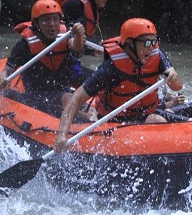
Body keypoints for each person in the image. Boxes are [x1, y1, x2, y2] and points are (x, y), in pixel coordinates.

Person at [54, 18, 184, 153]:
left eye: (154, 42)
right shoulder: (110, 68)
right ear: (129, 44)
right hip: (114, 123)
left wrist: (174, 77)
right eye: (146, 43)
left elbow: (178, 86)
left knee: (157, 120)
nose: (151, 47)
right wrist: (62, 135)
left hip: (144, 116)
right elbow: (76, 98)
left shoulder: (157, 55)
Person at [0, 0, 95, 119]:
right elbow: (7, 70)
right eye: (46, 20)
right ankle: (86, 122)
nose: (52, 24)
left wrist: (79, 36)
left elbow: (76, 47)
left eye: (55, 19)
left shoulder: (66, 36)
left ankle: (89, 118)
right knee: (69, 99)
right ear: (36, 23)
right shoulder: (24, 45)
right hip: (35, 95)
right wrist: (2, 78)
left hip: (61, 90)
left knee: (83, 103)